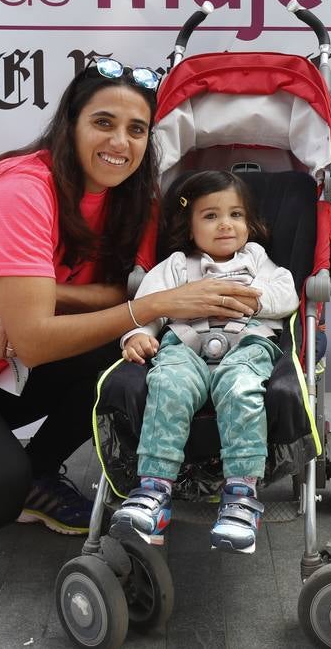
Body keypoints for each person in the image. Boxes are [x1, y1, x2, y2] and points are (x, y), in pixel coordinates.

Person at [0, 60, 264, 543]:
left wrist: (40, 295)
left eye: (136, 130)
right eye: (103, 123)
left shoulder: (134, 200)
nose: (119, 143)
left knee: (127, 351)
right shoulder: (23, 189)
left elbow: (122, 289)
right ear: (69, 124)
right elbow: (40, 339)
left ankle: (37, 474)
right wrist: (152, 304)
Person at [109, 170, 298, 554]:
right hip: (185, 344)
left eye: (236, 215)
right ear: (190, 227)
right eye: (210, 216)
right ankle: (153, 491)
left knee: (241, 387)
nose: (225, 224)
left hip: (247, 344)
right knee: (166, 385)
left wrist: (258, 299)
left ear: (250, 223)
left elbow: (288, 293)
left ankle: (242, 494)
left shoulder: (257, 260)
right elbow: (148, 300)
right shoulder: (177, 265)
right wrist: (139, 333)